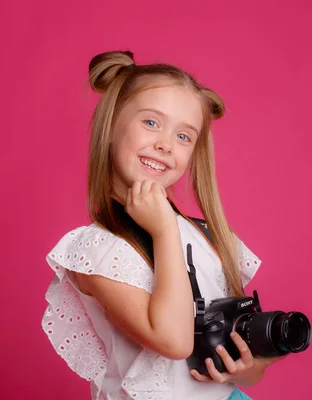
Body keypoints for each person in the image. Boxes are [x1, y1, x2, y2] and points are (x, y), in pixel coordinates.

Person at [41, 51, 284, 400]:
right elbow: (174, 340)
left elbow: (248, 366)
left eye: (184, 137)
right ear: (110, 127)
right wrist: (164, 229)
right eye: (151, 123)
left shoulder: (205, 235)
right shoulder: (98, 248)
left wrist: (248, 367)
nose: (165, 145)